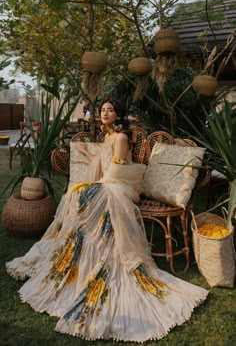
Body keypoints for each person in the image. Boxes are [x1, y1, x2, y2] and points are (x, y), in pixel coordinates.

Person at [6, 99, 208, 343]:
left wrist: (95, 183)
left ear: (118, 114)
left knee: (84, 193)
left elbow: (116, 173)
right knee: (79, 195)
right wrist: (84, 152)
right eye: (102, 110)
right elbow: (102, 160)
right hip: (109, 185)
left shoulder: (121, 137)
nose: (105, 113)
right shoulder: (107, 137)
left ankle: (98, 253)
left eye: (110, 109)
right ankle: (82, 252)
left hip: (119, 187)